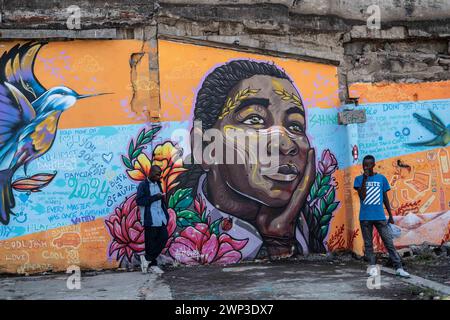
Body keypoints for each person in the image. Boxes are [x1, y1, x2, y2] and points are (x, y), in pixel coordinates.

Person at [178, 59, 317, 260]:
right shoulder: (178, 235)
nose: (287, 145)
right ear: (205, 147)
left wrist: (278, 239)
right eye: (255, 119)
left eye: (295, 126)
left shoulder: (306, 226)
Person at [354, 155, 410, 278]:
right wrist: (365, 179)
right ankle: (373, 268)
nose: (366, 167)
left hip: (380, 216)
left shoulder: (381, 178)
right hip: (365, 218)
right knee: (368, 244)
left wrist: (390, 214)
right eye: (364, 165)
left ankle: (399, 268)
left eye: (369, 165)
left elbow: (385, 197)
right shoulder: (358, 179)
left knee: (388, 242)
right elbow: (362, 196)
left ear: (373, 165)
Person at [136, 165, 169, 274]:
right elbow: (140, 201)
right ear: (151, 173)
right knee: (151, 244)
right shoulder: (143, 185)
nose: (159, 177)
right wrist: (156, 197)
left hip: (160, 218)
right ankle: (152, 265)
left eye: (160, 174)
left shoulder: (158, 184)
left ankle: (146, 259)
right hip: (150, 219)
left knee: (163, 238)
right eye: (157, 174)